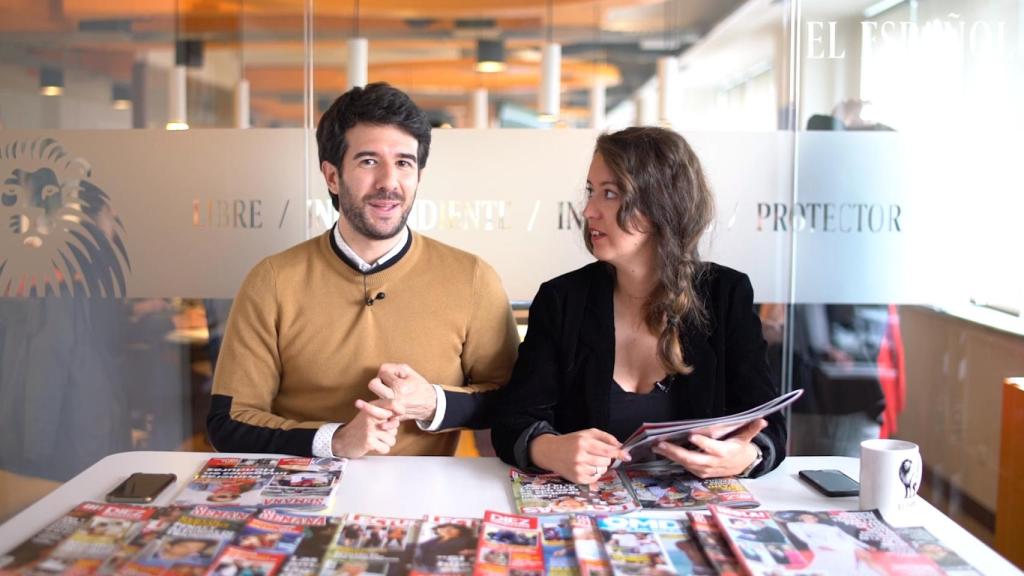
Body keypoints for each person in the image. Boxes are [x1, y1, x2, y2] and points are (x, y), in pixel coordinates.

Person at [206, 83, 519, 458]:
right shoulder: (272, 280)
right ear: (332, 176)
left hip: (426, 502)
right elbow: (229, 422)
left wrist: (434, 403)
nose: (389, 182)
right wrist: (334, 440)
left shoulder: (472, 277)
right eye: (368, 161)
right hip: (304, 495)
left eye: (404, 162)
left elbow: (514, 400)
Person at [490, 127, 786, 484]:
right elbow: (511, 421)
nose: (588, 211)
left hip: (693, 520)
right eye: (591, 192)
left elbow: (769, 426)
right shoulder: (562, 300)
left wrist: (744, 456)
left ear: (660, 204)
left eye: (610, 194)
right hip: (584, 518)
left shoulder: (724, 294)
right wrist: (549, 448)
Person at [412, 523, 477, 572]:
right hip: (424, 568)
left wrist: (473, 552)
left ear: (461, 531)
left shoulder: (467, 540)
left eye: (453, 528)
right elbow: (419, 550)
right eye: (444, 528)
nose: (447, 529)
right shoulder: (434, 541)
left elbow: (482, 548)